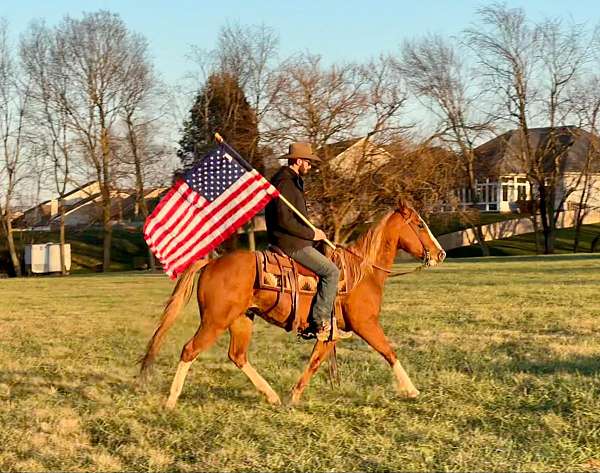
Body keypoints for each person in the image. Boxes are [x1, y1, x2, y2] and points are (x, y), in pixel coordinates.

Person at [265, 142, 352, 342]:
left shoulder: (291, 180)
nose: (310, 167)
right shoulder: (285, 183)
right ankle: (320, 321)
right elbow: (284, 220)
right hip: (291, 243)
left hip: (296, 239)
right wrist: (311, 235)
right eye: (308, 162)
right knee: (331, 272)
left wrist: (313, 231)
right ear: (298, 161)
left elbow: (294, 218)